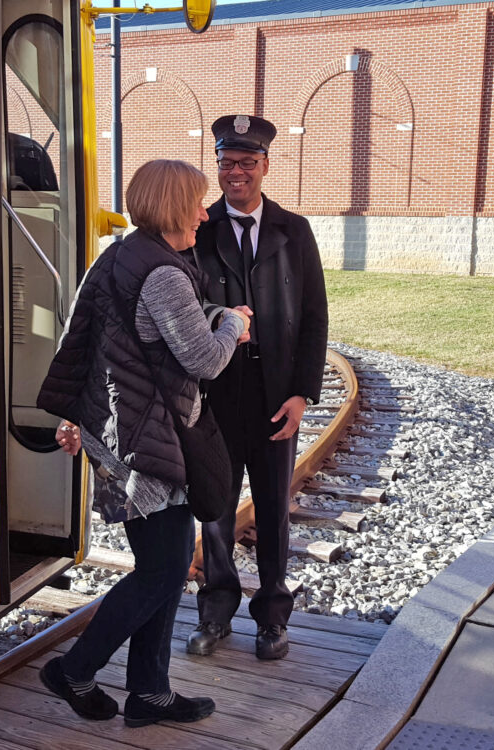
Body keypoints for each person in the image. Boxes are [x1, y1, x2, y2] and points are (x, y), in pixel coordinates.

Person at [36, 159, 251, 727]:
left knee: (167, 560)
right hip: (145, 439)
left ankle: (150, 692)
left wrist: (79, 418)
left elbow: (86, 341)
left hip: (123, 431)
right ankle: (75, 670)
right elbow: (204, 358)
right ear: (177, 206)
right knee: (163, 568)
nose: (206, 213)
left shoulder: (121, 257)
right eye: (199, 203)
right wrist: (232, 323)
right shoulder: (162, 273)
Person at [185, 115, 328, 661]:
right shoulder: (199, 228)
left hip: (275, 398)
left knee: (271, 509)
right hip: (217, 397)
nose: (236, 172)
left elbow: (314, 318)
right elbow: (183, 303)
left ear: (266, 166)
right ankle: (215, 613)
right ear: (217, 166)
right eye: (226, 162)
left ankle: (272, 616)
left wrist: (302, 394)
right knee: (216, 508)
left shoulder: (295, 230)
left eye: (247, 162)